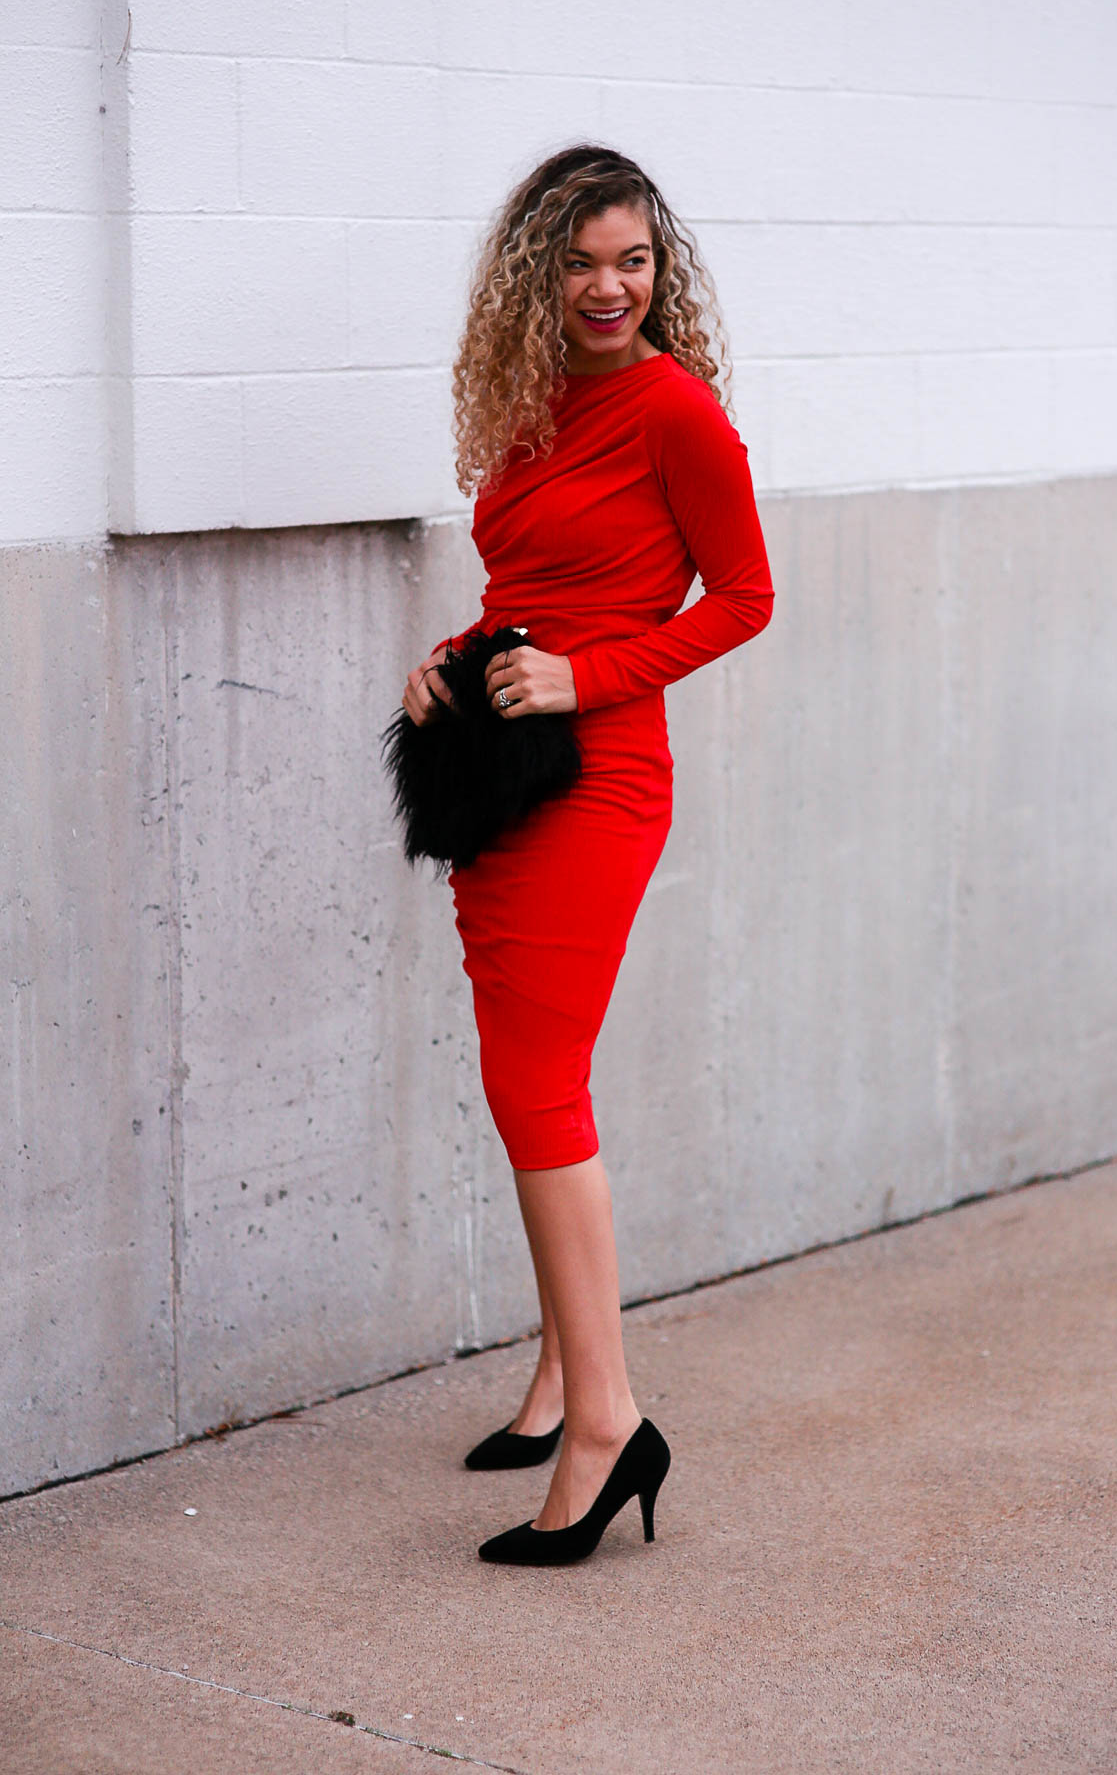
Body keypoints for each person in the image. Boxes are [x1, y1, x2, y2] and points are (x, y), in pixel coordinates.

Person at [401, 143, 774, 1566]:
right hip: (501, 769)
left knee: (535, 1083)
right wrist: (452, 660)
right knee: (526, 1081)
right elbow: (527, 589)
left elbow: (743, 598)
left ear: (660, 271)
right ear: (534, 276)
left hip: (599, 775)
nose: (609, 287)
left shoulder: (679, 415)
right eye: (579, 262)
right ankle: (563, 1379)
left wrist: (588, 677)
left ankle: (610, 1419)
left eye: (633, 260)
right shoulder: (531, 399)